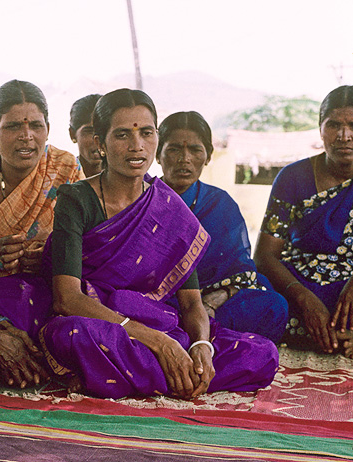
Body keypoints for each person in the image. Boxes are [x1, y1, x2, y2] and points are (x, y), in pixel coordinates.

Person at [40, 88, 278, 399]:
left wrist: (201, 347)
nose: (137, 146)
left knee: (263, 353)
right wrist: (159, 343)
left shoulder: (169, 206)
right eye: (122, 134)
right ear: (100, 142)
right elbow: (67, 299)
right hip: (105, 324)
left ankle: (118, 375)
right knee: (69, 335)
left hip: (158, 323)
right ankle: (167, 373)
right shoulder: (76, 199)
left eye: (147, 133)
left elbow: (192, 303)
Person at [157, 111, 287, 342]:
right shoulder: (142, 199)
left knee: (272, 304)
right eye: (174, 149)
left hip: (215, 299)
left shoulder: (220, 204)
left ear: (208, 156)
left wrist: (212, 301)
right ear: (158, 154)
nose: (184, 159)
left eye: (195, 150)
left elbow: (241, 273)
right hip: (162, 302)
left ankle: (200, 339)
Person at [255, 85, 353, 358]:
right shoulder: (293, 178)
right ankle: (335, 334)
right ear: (320, 129)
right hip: (299, 284)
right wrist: (304, 299)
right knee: (257, 300)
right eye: (334, 125)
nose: (344, 136)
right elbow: (264, 256)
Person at [0, 79, 82, 280]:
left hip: (54, 286)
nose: (26, 136)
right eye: (13, 126)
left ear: (47, 129)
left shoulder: (66, 170)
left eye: (36, 126)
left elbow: (88, 245)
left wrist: (51, 256)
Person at [69, 94, 103, 178]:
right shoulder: (61, 180)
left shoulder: (131, 179)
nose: (98, 139)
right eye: (89, 131)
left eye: (105, 131)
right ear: (72, 134)